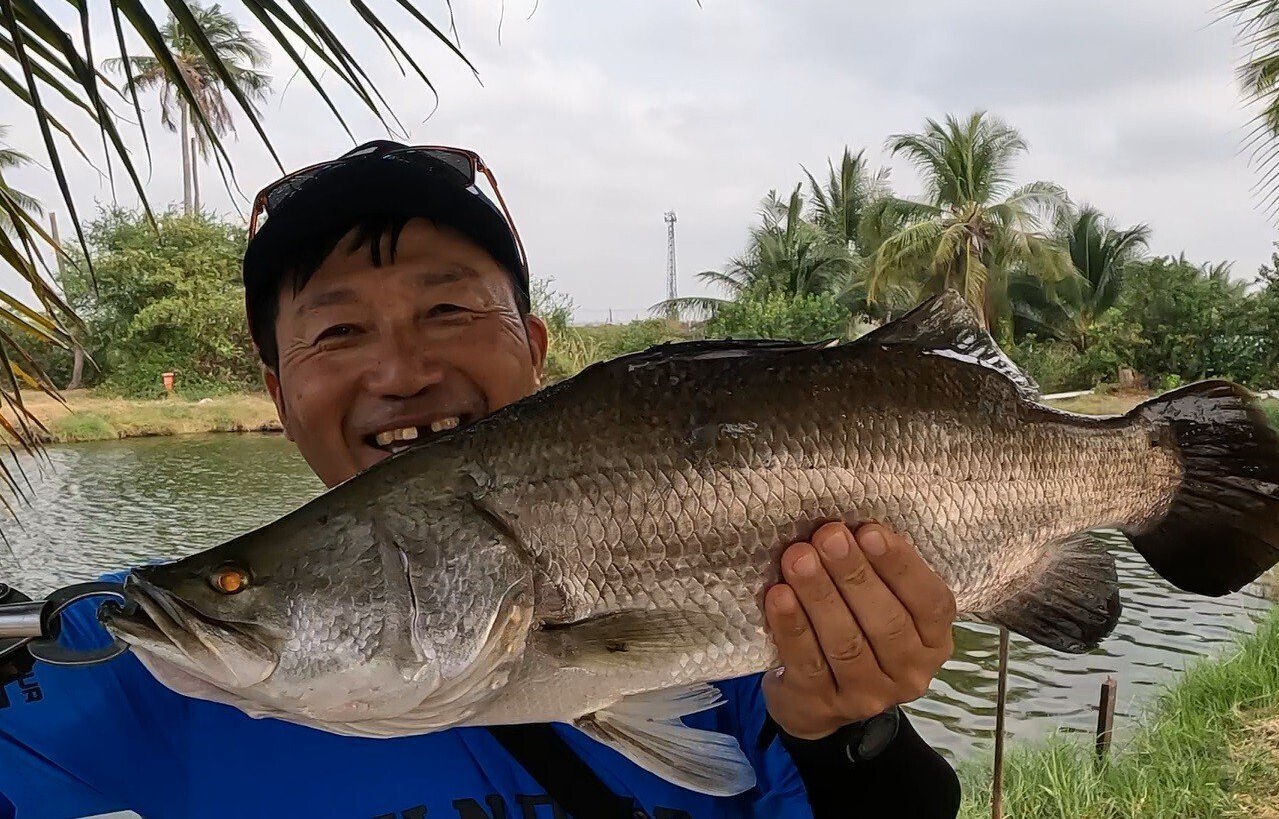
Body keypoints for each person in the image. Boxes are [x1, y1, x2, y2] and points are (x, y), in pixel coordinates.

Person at [0, 141, 961, 819]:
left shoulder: (754, 640)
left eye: (450, 309)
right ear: (281, 394)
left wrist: (847, 729)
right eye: (337, 331)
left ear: (533, 349)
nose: (401, 369)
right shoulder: (136, 664)